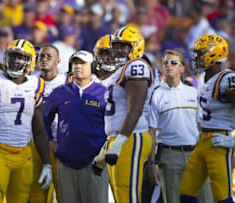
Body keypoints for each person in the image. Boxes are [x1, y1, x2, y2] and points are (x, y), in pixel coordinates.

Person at [0, 39, 52, 203]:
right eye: (12, 57)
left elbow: (38, 128)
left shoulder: (36, 84)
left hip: (24, 152)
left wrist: (46, 163)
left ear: (29, 62)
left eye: (20, 58)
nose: (15, 62)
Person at [179, 34, 235, 203]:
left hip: (218, 142)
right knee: (186, 193)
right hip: (203, 141)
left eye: (200, 53)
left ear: (213, 54)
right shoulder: (206, 78)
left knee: (222, 197)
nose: (196, 58)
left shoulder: (227, 79)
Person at [148, 50, 213, 203]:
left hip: (196, 154)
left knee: (206, 199)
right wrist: (151, 164)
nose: (169, 65)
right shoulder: (156, 94)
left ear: (182, 68)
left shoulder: (193, 92)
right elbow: (151, 131)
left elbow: (201, 126)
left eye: (173, 62)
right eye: (165, 63)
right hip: (170, 156)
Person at [43, 50, 108, 203]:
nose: (78, 67)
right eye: (75, 63)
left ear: (92, 66)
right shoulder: (59, 92)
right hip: (66, 160)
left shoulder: (104, 93)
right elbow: (43, 119)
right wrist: (50, 141)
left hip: (94, 163)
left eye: (83, 63)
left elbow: (115, 124)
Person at [102, 26, 155, 203]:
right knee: (120, 195)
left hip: (131, 136)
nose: (117, 50)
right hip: (118, 137)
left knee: (128, 194)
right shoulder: (119, 70)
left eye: (123, 46)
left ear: (135, 47)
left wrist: (120, 141)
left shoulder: (137, 66)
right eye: (116, 46)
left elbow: (136, 108)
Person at [29, 44, 65, 203]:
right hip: (34, 141)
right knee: (36, 193)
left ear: (58, 61)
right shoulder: (30, 80)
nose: (44, 59)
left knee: (63, 192)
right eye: (41, 56)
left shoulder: (67, 81)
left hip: (59, 143)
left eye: (49, 56)